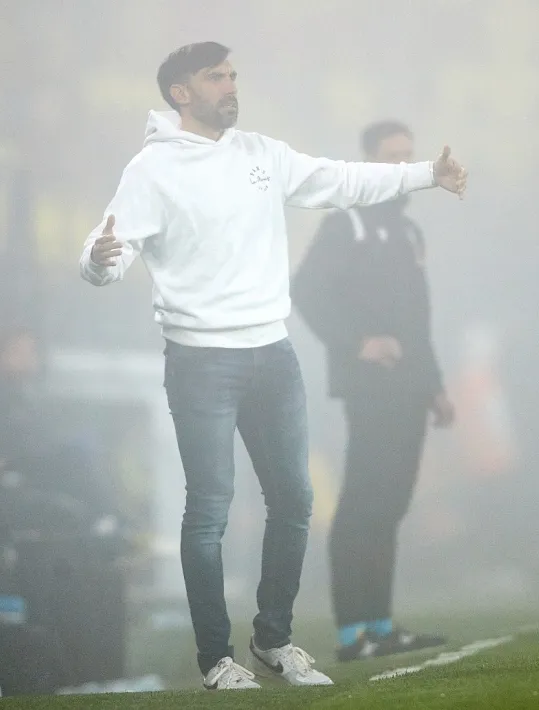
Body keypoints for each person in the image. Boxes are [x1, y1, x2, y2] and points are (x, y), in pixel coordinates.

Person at [78, 42, 467, 690]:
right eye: (215, 77)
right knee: (210, 511)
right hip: (202, 359)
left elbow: (343, 179)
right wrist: (99, 259)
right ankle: (215, 659)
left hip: (273, 351)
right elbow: (109, 254)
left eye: (232, 75)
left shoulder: (261, 153)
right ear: (181, 92)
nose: (231, 86)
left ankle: (273, 640)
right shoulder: (151, 170)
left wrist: (425, 172)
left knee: (295, 500)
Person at [291, 120, 454, 661]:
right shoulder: (349, 225)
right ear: (368, 164)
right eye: (393, 157)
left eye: (410, 157)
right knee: (363, 502)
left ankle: (379, 626)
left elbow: (418, 319)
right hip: (369, 389)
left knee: (390, 504)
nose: (405, 167)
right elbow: (306, 290)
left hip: (409, 388)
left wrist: (434, 386)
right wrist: (356, 342)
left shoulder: (408, 233)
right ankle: (350, 633)